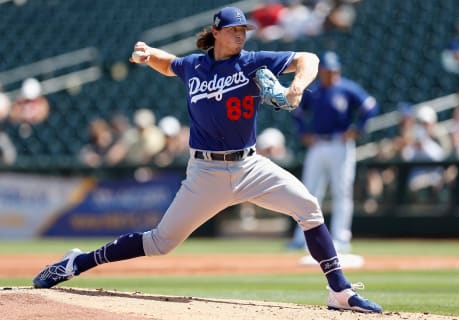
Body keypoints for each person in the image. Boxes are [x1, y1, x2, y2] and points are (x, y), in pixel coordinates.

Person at [32, 7, 381, 313]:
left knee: (309, 208)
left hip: (250, 166)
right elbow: (170, 65)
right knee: (159, 243)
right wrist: (149, 53)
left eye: (244, 31)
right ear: (215, 32)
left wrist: (298, 86)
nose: (241, 36)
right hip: (205, 172)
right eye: (233, 31)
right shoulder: (194, 66)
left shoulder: (252, 62)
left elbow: (309, 59)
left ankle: (340, 290)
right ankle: (76, 262)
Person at [288, 51, 378, 267]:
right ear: (322, 72)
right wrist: (303, 133)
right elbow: (297, 111)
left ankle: (341, 238)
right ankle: (302, 238)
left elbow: (370, 107)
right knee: (308, 191)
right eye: (328, 70)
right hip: (318, 144)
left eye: (334, 70)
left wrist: (358, 129)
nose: (331, 74)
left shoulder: (347, 88)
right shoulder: (316, 91)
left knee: (341, 191)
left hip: (340, 144)